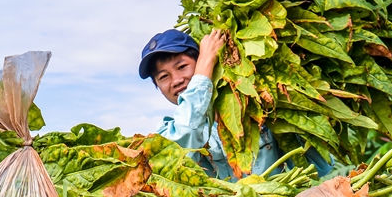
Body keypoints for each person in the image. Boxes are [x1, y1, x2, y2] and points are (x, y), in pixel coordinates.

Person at [139, 28, 332, 180]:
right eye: (163, 77)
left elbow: (320, 167)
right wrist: (204, 66)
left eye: (182, 67)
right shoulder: (168, 133)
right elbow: (188, 132)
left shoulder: (257, 109)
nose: (176, 80)